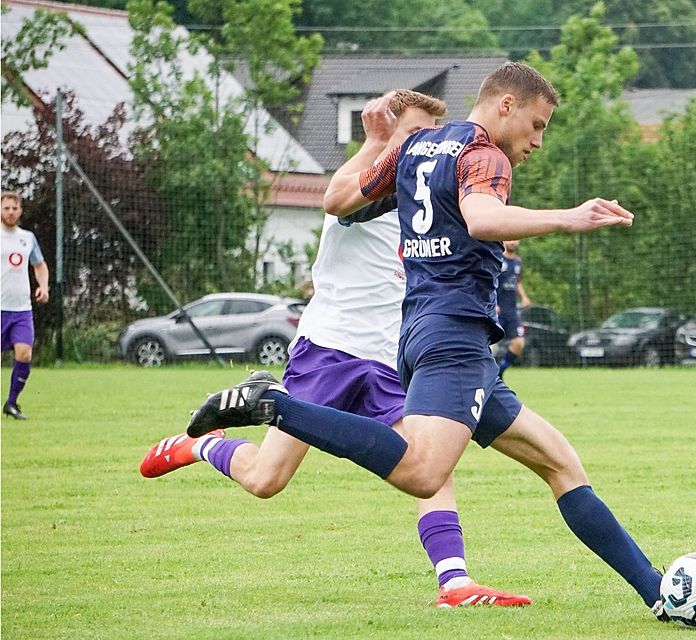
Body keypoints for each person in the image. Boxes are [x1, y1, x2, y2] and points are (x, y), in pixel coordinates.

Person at [187, 62, 670, 622]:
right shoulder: (484, 155)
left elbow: (340, 200)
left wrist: (373, 145)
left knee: (560, 461)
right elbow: (484, 218)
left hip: (421, 335)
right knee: (422, 473)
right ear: (505, 105)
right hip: (453, 340)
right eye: (537, 125)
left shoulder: (416, 150)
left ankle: (656, 591)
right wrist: (571, 217)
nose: (538, 141)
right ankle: (274, 405)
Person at [139, 91, 529, 607]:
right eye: (413, 134)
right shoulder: (362, 186)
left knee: (431, 466)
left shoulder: (431, 189)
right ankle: (201, 444)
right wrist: (372, 144)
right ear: (386, 135)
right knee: (265, 479)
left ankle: (454, 582)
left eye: (429, 136)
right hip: (330, 351)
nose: (424, 146)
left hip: (392, 356)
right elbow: (340, 197)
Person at [1, 191, 49, 420]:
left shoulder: (27, 238)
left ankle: (11, 403)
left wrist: (43, 286)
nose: (10, 212)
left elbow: (39, 265)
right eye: (6, 208)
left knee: (25, 354)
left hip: (21, 310)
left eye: (14, 208)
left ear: (20, 211)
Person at [495, 240, 531, 377]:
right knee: (489, 346)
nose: (513, 242)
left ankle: (499, 373)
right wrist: (493, 303)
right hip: (495, 310)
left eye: (515, 239)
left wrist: (524, 297)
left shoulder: (517, 262)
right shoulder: (497, 259)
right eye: (509, 239)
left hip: (511, 310)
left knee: (519, 343)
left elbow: (517, 282)